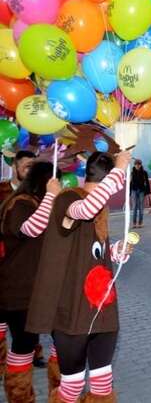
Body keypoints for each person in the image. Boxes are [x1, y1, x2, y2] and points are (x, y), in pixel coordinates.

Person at [26, 149, 134, 403]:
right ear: (108, 179)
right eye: (114, 181)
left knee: (102, 386)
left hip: (103, 312)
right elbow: (85, 210)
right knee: (72, 387)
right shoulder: (67, 199)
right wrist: (120, 169)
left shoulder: (101, 209)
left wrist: (116, 251)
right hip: (72, 315)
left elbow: (94, 253)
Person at [0, 161, 61, 401]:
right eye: (54, 181)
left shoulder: (34, 202)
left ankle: (60, 391)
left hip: (36, 290)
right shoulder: (21, 203)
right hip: (18, 291)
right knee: (23, 346)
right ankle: (20, 397)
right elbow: (30, 229)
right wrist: (51, 196)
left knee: (59, 340)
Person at [0, 150, 36, 377]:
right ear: (15, 167)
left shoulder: (37, 197)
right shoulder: (3, 192)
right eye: (26, 167)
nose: (30, 171)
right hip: (5, 269)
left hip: (25, 275)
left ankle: (32, 354)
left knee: (25, 328)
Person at [129, 159, 150, 228]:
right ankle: (134, 223)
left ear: (141, 165)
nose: (137, 166)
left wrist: (148, 192)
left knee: (141, 207)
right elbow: (130, 183)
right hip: (134, 191)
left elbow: (147, 182)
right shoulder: (132, 173)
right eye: (136, 164)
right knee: (134, 207)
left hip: (141, 191)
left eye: (139, 164)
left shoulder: (144, 173)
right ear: (134, 165)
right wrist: (129, 193)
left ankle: (140, 223)